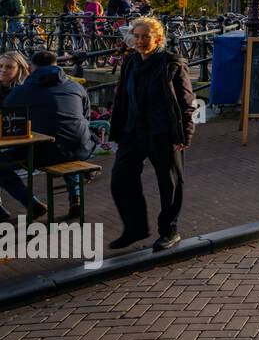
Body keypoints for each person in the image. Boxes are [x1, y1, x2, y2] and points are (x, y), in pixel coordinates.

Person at [108, 16, 196, 251]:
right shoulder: (130, 62)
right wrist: (117, 127)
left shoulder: (171, 64)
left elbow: (187, 101)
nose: (140, 41)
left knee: (169, 183)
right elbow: (123, 98)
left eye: (145, 36)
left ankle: (169, 231)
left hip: (162, 132)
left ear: (157, 38)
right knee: (120, 178)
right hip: (133, 131)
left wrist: (185, 134)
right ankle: (134, 228)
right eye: (136, 37)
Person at [1, 50, 96, 223]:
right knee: (66, 140)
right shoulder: (76, 86)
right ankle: (75, 197)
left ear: (30, 68)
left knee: (2, 163)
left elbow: (12, 131)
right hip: (81, 149)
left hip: (43, 154)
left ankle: (32, 204)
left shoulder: (20, 92)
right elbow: (85, 117)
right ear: (56, 65)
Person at [0, 52, 42, 221]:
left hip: (24, 143)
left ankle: (30, 203)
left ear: (19, 69)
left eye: (9, 67)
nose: (3, 70)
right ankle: (30, 203)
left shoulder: (23, 91)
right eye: (0, 66)